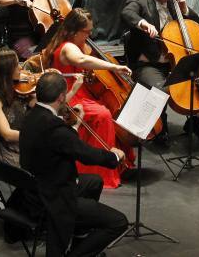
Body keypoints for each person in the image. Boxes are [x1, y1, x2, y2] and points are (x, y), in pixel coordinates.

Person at [19, 70, 128, 257]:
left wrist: (75, 126)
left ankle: (79, 232)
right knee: (118, 222)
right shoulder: (55, 127)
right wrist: (115, 157)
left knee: (94, 181)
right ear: (61, 97)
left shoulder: (31, 115)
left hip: (35, 187)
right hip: (56, 197)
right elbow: (85, 154)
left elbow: (64, 144)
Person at [41, 8, 134, 188]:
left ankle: (114, 161)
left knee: (105, 109)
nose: (90, 35)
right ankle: (99, 171)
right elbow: (82, 61)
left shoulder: (73, 43)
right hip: (67, 97)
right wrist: (114, 67)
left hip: (79, 92)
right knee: (103, 114)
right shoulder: (68, 47)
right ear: (74, 31)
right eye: (87, 32)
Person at [121, 0, 199, 144]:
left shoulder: (174, 3)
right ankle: (160, 128)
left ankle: (196, 124)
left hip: (176, 61)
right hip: (150, 63)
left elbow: (193, 24)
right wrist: (143, 23)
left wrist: (184, 9)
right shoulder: (139, 1)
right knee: (160, 90)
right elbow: (127, 13)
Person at [0, 48, 35, 166]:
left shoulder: (18, 90)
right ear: (6, 71)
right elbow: (7, 135)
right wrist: (35, 136)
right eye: (17, 65)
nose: (21, 68)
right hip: (5, 151)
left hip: (22, 143)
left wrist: (36, 93)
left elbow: (38, 108)